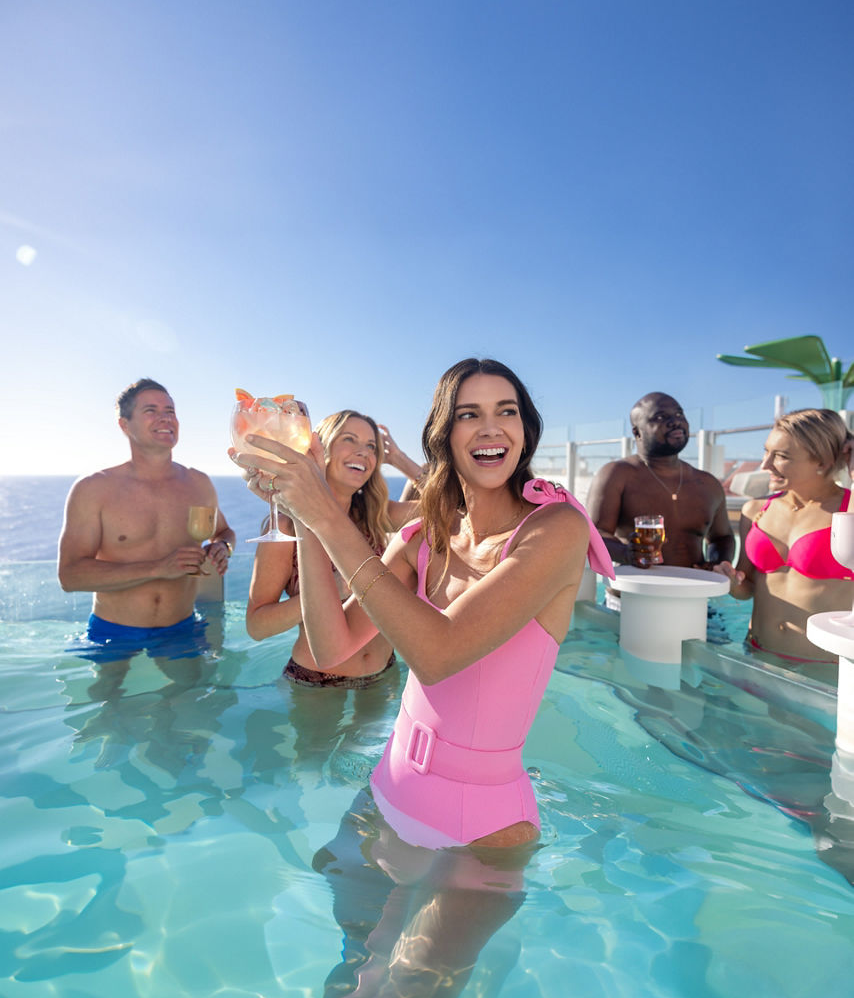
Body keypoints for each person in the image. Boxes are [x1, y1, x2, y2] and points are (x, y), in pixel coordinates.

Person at [237, 357, 615, 850]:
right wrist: (303, 520)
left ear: (525, 429)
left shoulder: (555, 529)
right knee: (349, 920)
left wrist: (326, 516)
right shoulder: (423, 535)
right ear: (443, 434)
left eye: (506, 411)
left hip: (481, 824)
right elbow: (332, 649)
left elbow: (438, 654)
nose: (489, 428)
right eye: (467, 414)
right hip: (388, 786)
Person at [58, 378, 235, 662]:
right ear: (124, 425)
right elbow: (69, 576)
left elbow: (223, 531)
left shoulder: (199, 484)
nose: (165, 417)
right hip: (113, 633)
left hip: (182, 627)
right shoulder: (93, 489)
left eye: (171, 410)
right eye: (151, 410)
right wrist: (157, 568)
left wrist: (222, 548)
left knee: (195, 701)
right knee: (108, 704)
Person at [245, 410, 419, 687]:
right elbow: (256, 625)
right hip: (317, 681)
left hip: (383, 671)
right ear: (319, 449)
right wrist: (336, 589)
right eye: (349, 440)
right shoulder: (287, 526)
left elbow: (454, 508)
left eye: (371, 446)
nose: (363, 452)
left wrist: (399, 459)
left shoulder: (376, 515)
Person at [714, 408, 854, 667]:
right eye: (766, 451)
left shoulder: (850, 511)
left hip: (823, 672)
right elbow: (747, 589)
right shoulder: (755, 511)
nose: (765, 464)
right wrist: (731, 581)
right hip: (757, 656)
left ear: (821, 461)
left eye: (780, 456)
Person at [587, 391, 735, 569]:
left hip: (694, 594)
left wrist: (716, 565)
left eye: (679, 414)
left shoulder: (707, 483)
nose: (675, 421)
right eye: (660, 417)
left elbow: (722, 537)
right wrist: (627, 553)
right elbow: (592, 535)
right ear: (637, 432)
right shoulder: (617, 475)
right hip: (632, 594)